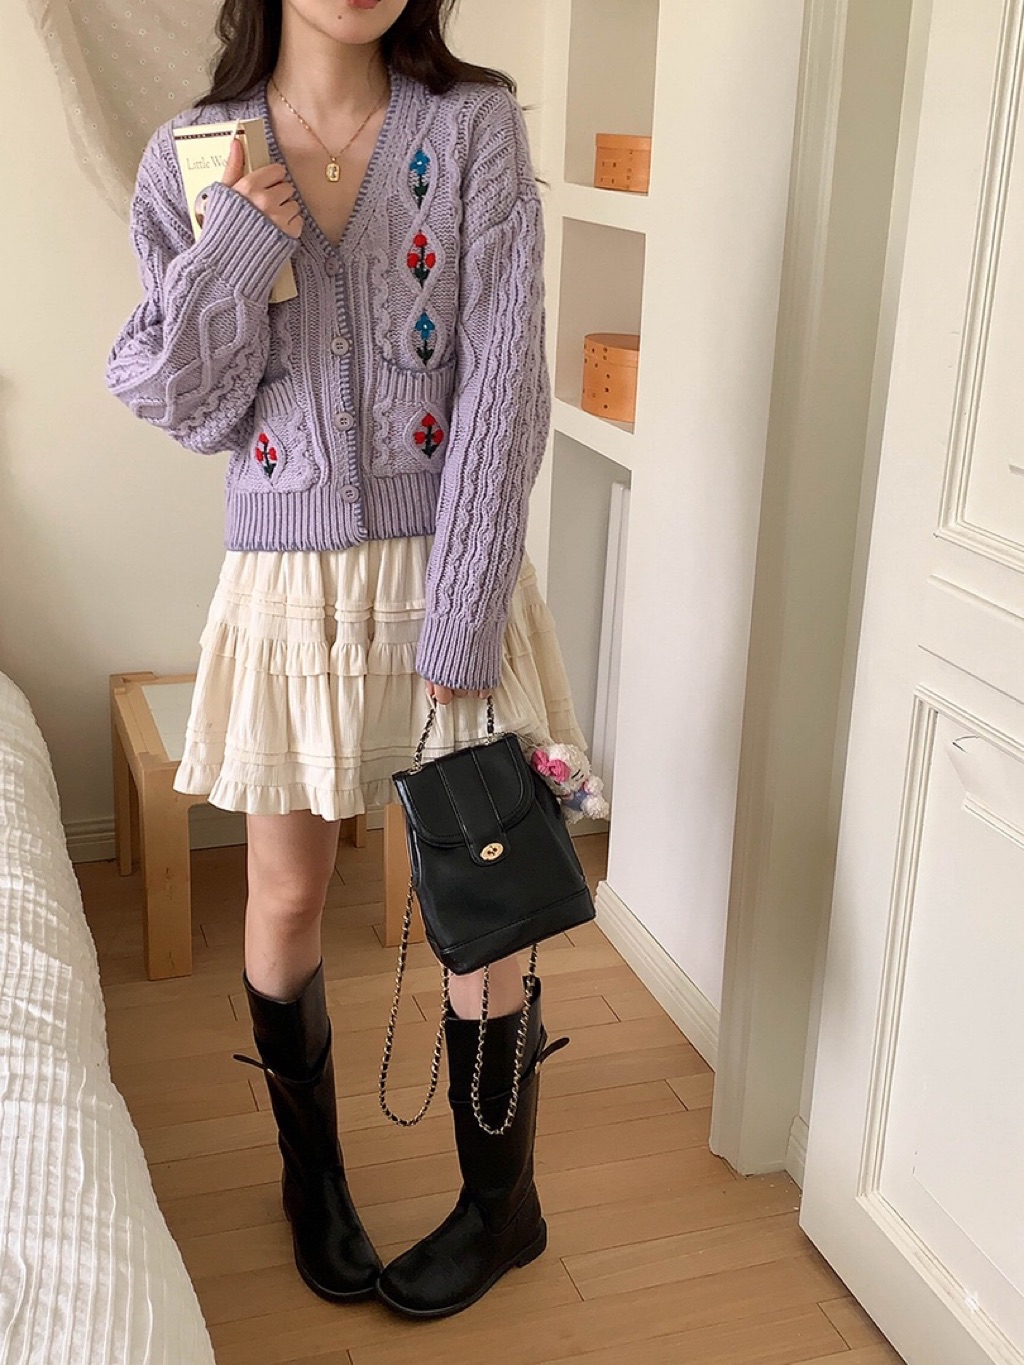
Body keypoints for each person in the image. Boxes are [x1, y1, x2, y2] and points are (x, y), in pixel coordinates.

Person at [105, 0, 596, 1324]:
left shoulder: (473, 128)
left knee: (480, 895)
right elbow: (184, 404)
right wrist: (233, 251)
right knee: (284, 892)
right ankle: (311, 1181)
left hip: (453, 562)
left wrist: (464, 609)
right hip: (289, 585)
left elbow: (507, 383)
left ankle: (502, 1206)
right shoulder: (197, 154)